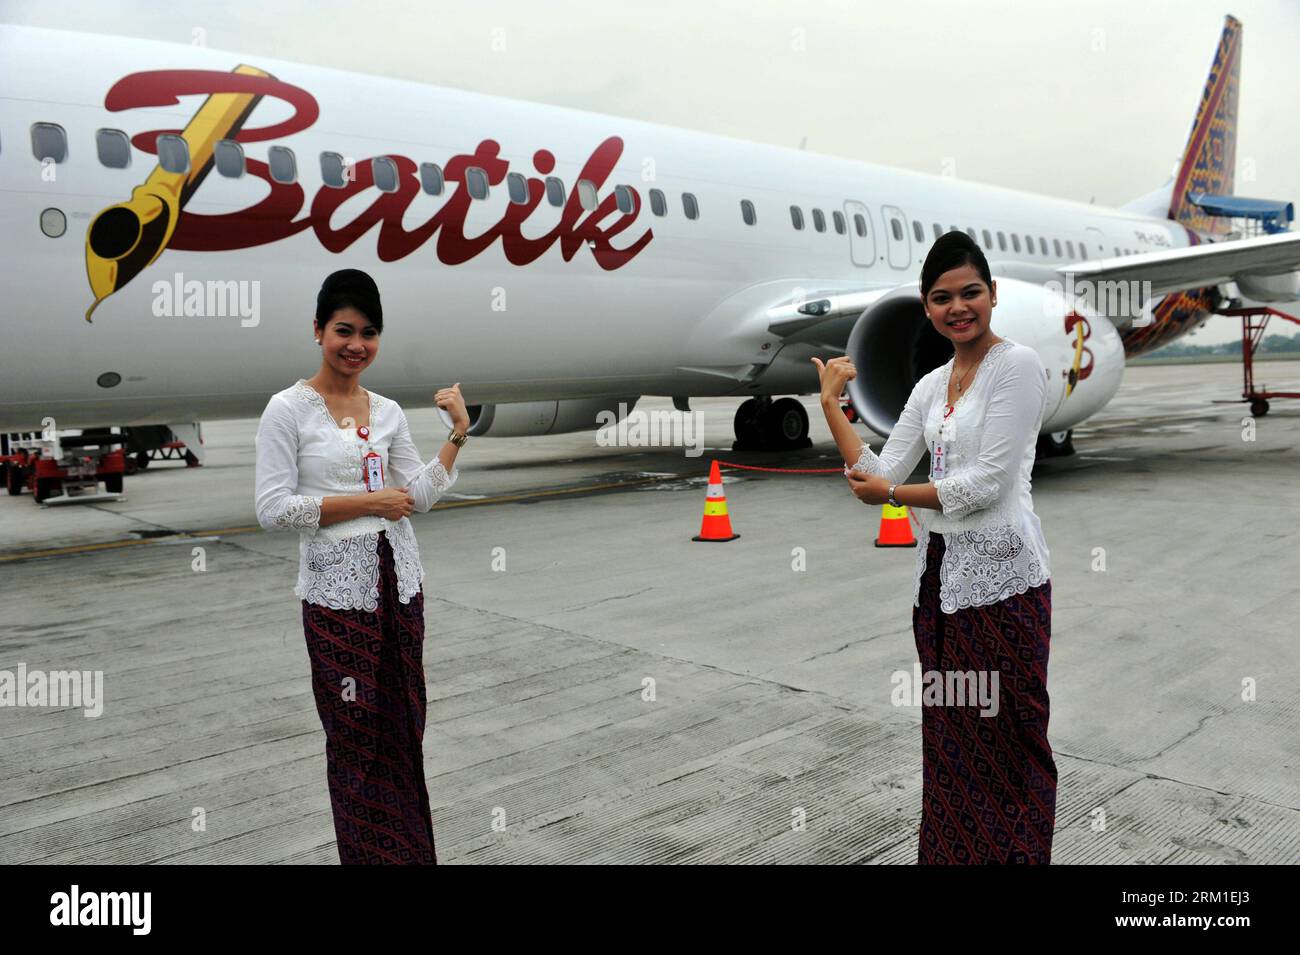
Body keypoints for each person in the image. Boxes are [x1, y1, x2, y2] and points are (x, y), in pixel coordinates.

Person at [812, 231, 1057, 864]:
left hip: (1003, 586)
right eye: (942, 298)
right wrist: (832, 405)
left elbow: (984, 486)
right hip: (939, 587)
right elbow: (877, 466)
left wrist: (892, 491)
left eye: (970, 292)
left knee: (1008, 740)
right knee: (950, 744)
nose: (959, 307)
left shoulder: (1018, 367)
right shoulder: (930, 385)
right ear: (927, 308)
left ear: (993, 295)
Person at [254, 268, 470, 865]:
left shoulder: (389, 410)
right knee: (355, 736)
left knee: (404, 731)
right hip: (336, 595)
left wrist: (457, 434)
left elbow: (417, 496)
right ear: (318, 330)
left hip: (400, 588)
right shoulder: (287, 410)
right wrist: (365, 504)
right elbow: (272, 509)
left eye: (369, 332)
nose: (357, 345)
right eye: (343, 330)